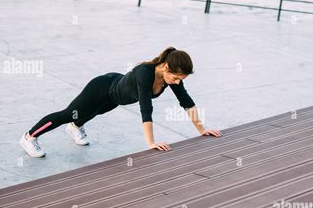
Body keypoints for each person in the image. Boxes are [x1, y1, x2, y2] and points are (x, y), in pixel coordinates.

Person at [20, 47, 222, 157]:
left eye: (180, 80)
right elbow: (146, 107)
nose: (177, 83)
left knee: (95, 111)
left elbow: (186, 101)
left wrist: (202, 129)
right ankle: (29, 137)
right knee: (69, 113)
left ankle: (76, 127)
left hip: (115, 95)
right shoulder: (145, 73)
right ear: (166, 67)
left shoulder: (171, 76)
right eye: (176, 78)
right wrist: (150, 143)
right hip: (101, 88)